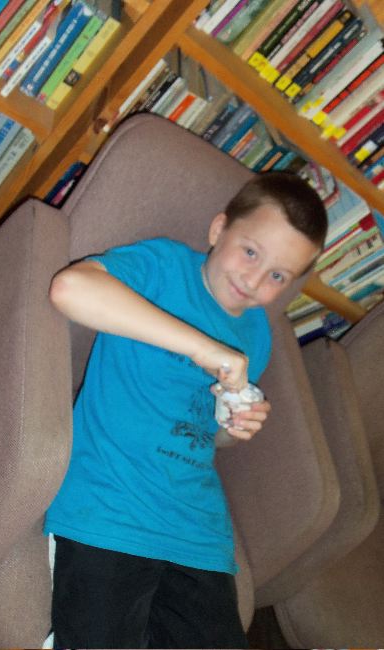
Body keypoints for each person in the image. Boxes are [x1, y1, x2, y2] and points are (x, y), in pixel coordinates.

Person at [44, 171, 328, 649]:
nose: (255, 280)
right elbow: (69, 289)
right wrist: (204, 349)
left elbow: (209, 434)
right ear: (219, 229)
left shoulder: (256, 334)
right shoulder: (164, 267)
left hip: (199, 533)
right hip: (112, 507)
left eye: (278, 276)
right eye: (251, 252)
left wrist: (233, 425)